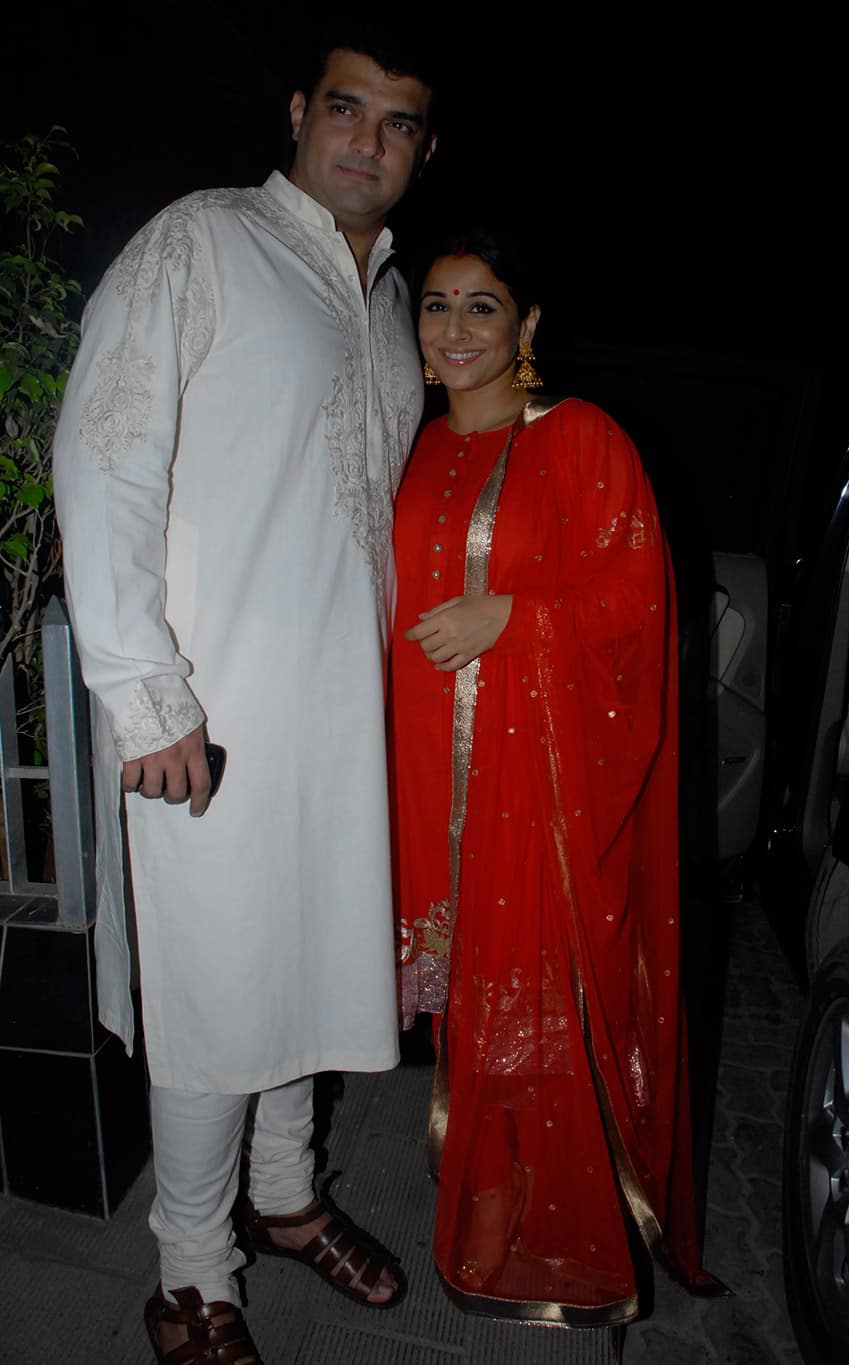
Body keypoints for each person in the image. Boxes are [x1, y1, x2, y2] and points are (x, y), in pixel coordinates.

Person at [53, 26, 436, 1364]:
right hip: (203, 713)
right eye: (346, 108)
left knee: (309, 969)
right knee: (218, 1000)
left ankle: (285, 1198)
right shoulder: (203, 241)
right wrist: (142, 690)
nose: (365, 142)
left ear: (420, 149)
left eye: (396, 124)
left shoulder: (389, 303)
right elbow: (105, 452)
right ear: (297, 111)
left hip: (340, 719)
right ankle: (191, 1276)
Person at [389, 229, 714, 1325]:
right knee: (461, 1009)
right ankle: (482, 1194)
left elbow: (637, 602)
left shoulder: (580, 440)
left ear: (526, 328)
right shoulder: (416, 451)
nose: (454, 329)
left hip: (537, 788)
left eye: (483, 307)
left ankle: (541, 1235)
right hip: (429, 772)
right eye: (436, 306)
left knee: (527, 1009)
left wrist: (513, 619)